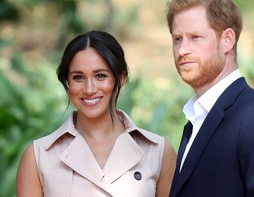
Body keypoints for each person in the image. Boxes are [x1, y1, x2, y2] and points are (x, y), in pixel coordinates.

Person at [16, 30, 176, 197]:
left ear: (120, 78)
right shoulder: (38, 156)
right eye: (78, 77)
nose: (89, 89)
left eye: (100, 76)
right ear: (68, 82)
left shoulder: (158, 152)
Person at [165, 0, 254, 197]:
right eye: (177, 39)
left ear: (228, 40)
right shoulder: (196, 120)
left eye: (195, 37)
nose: (182, 50)